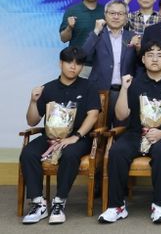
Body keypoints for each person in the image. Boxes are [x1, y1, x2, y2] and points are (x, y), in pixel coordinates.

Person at [98, 41, 161, 224]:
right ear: (143, 60)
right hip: (135, 133)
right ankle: (116, 206)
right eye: (150, 55)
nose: (154, 59)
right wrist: (124, 89)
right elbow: (121, 115)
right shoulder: (135, 82)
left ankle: (159, 205)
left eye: (159, 55)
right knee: (117, 151)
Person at [20, 47, 101, 225]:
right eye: (69, 62)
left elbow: (93, 115)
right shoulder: (47, 88)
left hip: (77, 138)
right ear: (60, 63)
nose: (73, 66)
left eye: (78, 63)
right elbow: (32, 121)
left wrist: (76, 136)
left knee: (70, 154)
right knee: (28, 153)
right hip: (50, 137)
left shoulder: (89, 87)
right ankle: (38, 203)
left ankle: (59, 202)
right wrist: (33, 101)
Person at [81, 0, 138, 126]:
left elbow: (139, 63)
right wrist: (95, 31)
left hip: (124, 92)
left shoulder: (132, 36)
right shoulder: (97, 35)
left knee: (122, 131)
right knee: (98, 131)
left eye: (120, 14)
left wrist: (138, 47)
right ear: (105, 15)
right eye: (112, 13)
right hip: (99, 92)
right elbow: (83, 56)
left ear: (126, 17)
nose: (116, 17)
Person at [59, 0, 105, 77]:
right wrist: (69, 27)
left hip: (102, 65)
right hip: (78, 64)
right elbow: (63, 39)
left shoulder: (107, 11)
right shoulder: (72, 11)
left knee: (101, 89)